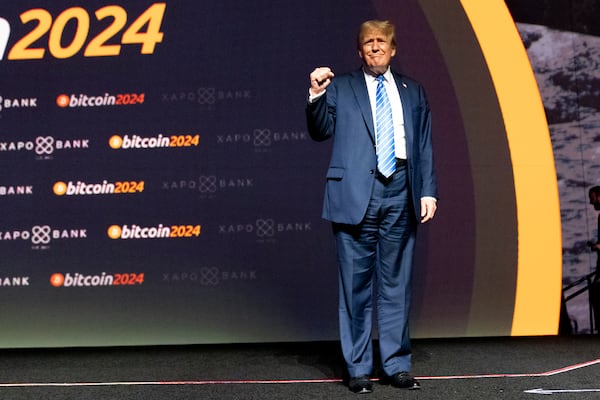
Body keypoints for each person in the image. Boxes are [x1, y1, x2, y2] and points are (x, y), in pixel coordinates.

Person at [306, 20, 438, 394]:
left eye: (382, 42)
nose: (376, 47)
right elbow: (319, 131)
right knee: (355, 287)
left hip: (401, 189)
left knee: (396, 285)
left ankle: (396, 365)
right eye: (368, 43)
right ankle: (359, 369)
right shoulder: (342, 87)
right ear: (359, 50)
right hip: (354, 195)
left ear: (393, 49)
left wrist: (428, 190)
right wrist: (316, 94)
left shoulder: (413, 91)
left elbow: (424, 143)